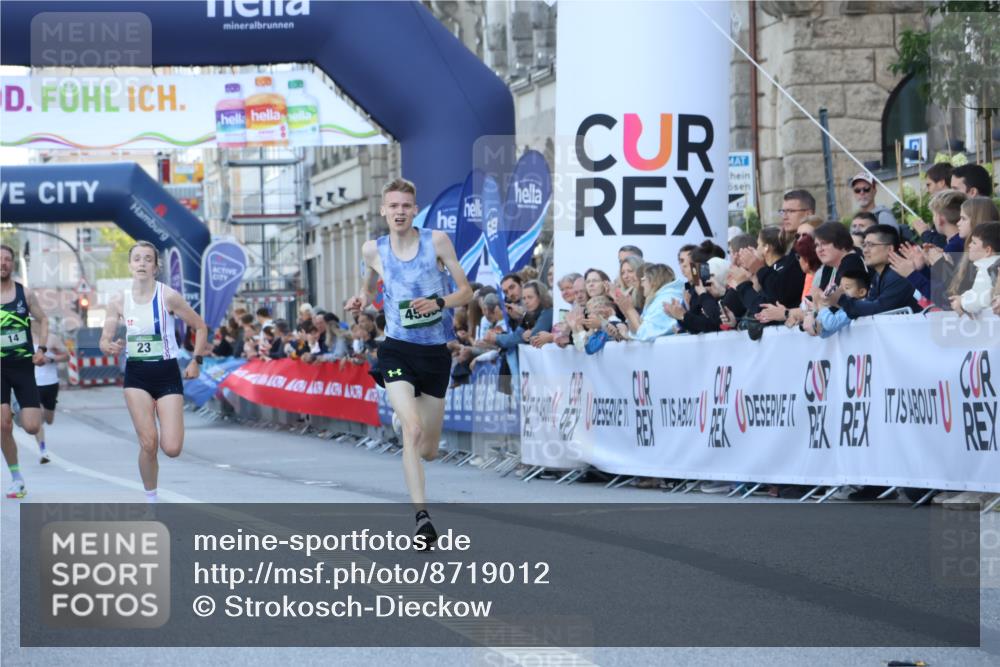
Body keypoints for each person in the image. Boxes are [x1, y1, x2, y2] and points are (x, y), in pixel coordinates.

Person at [346, 178, 473, 547]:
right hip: (396, 349)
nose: (399, 212)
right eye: (393, 206)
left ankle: (415, 447)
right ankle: (422, 519)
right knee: (412, 430)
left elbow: (466, 291)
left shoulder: (436, 241)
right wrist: (360, 301)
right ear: (383, 211)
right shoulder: (373, 250)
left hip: (434, 353)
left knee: (429, 449)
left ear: (414, 210)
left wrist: (439, 303)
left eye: (406, 205)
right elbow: (369, 292)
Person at [99, 241, 208, 503]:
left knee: (171, 448)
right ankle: (152, 500)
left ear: (156, 268)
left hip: (167, 373)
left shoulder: (168, 296)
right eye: (137, 259)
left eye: (148, 259)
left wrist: (196, 360)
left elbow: (201, 327)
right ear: (130, 265)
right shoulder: (118, 300)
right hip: (137, 376)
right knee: (148, 443)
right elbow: (105, 338)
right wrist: (108, 345)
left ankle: (154, 491)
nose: (142, 264)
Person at [1, 245, 48, 499]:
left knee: (31, 426)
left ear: (12, 265)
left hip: (23, 367)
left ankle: (19, 411)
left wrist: (41, 349)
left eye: (7, 259)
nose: (3, 263)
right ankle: (17, 478)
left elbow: (43, 319)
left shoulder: (24, 294)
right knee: (2, 423)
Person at [31, 328, 69, 464]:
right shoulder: (25, 338)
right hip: (32, 383)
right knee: (37, 416)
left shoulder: (52, 338)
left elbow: (67, 356)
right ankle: (43, 451)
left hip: (50, 383)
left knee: (49, 419)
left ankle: (43, 448)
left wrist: (50, 359)